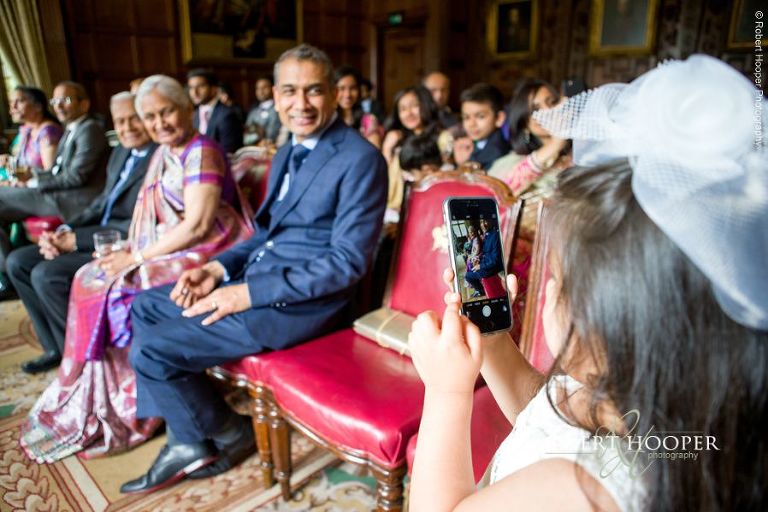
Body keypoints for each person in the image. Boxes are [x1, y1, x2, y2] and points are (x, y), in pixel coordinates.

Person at [408, 55, 767, 511]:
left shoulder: (581, 489)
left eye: (558, 280)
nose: (547, 291)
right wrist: (495, 342)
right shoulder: (646, 408)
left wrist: (447, 391)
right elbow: (543, 419)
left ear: (616, 320)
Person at [120, 44, 387, 494]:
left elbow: (349, 262)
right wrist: (216, 270)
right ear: (276, 96)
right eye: (290, 91)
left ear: (333, 93)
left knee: (151, 351)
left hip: (302, 306)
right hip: (257, 280)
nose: (301, 103)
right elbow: (264, 234)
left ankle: (209, 436)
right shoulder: (286, 151)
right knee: (145, 306)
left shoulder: (360, 158)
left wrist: (246, 294)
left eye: (313, 90)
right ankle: (204, 431)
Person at [20, 76, 254, 464]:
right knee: (91, 275)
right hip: (171, 245)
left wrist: (136, 258)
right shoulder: (164, 153)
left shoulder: (202, 151)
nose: (160, 123)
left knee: (120, 285)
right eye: (151, 116)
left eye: (167, 112)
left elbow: (198, 226)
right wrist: (132, 250)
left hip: (209, 250)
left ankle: (139, 404)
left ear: (187, 109)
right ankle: (109, 393)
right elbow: (151, 221)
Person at [8, 92, 157, 375]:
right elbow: (101, 203)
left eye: (134, 119)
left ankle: (83, 360)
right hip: (98, 230)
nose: (126, 128)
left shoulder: (158, 157)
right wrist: (64, 231)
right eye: (120, 121)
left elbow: (143, 223)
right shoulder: (121, 152)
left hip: (123, 241)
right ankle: (56, 348)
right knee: (19, 262)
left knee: (47, 274)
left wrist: (78, 240)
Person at [489, 79, 570, 196]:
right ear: (524, 125)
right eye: (535, 110)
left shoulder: (582, 151)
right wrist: (555, 144)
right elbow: (501, 194)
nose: (548, 111)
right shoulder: (513, 162)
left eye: (552, 102)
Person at [382, 85, 442, 213]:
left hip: (428, 207)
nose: (408, 113)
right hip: (395, 209)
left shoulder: (442, 138)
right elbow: (383, 177)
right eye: (403, 109)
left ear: (426, 105)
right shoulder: (397, 139)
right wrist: (387, 148)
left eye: (414, 106)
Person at [0, 86, 63, 173]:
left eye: (20, 101)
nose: (13, 106)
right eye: (11, 102)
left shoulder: (49, 131)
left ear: (38, 106)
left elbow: (51, 172)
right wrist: (10, 161)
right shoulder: (27, 130)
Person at [453, 83, 510, 171]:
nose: (472, 124)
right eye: (466, 117)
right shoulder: (472, 144)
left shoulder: (498, 151)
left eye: (480, 116)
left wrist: (464, 164)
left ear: (499, 118)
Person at [187, 68, 243, 153]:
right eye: (191, 87)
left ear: (214, 89)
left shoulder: (227, 115)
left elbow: (229, 152)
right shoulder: (195, 114)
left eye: (201, 86)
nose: (194, 92)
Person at [335, 66, 382, 148]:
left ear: (359, 91)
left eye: (353, 88)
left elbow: (374, 152)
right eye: (341, 88)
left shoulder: (368, 120)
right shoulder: (325, 120)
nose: (347, 94)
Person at [463, 218, 502, 298]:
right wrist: (479, 258)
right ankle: (479, 289)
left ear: (490, 221)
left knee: (467, 276)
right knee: (471, 266)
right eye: (481, 222)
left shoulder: (495, 236)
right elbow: (485, 252)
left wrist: (480, 266)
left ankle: (480, 291)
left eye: (485, 221)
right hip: (486, 263)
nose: (483, 224)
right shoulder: (488, 235)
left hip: (492, 268)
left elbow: (495, 260)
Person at [244, 76, 282, 145]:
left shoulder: (277, 110)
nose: (260, 91)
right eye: (258, 88)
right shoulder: (253, 112)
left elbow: (271, 135)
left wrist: (256, 134)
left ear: (272, 89)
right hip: (252, 147)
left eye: (264, 87)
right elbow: (246, 138)